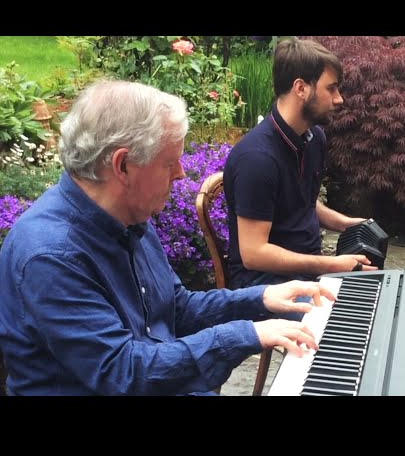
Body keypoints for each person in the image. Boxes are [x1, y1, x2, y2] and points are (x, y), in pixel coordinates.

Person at [0, 80, 337, 396]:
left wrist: (261, 298)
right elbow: (123, 372)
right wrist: (244, 335)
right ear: (122, 166)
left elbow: (175, 308)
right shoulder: (50, 256)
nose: (181, 173)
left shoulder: (129, 218)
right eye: (170, 162)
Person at [223, 37, 376, 299]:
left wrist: (347, 224)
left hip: (306, 271)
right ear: (301, 88)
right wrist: (330, 265)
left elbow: (302, 201)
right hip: (264, 286)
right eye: (332, 89)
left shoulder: (314, 138)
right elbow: (253, 254)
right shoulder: (257, 159)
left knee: (380, 299)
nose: (339, 99)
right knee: (343, 325)